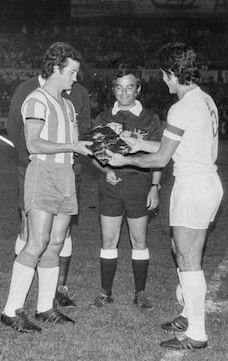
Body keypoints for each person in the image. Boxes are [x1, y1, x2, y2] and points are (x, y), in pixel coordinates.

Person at [107, 43, 223, 350]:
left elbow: (161, 159)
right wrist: (135, 141)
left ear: (172, 73)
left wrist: (125, 160)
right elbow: (172, 144)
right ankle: (188, 315)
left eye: (165, 75)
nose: (164, 81)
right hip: (206, 182)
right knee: (181, 249)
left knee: (188, 257)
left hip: (193, 185)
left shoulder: (181, 106)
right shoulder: (205, 100)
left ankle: (197, 333)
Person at [0, 42, 92, 333]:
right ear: (56, 68)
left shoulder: (67, 103)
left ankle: (45, 307)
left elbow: (76, 143)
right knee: (37, 242)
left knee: (55, 242)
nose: (75, 78)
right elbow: (34, 143)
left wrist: (97, 145)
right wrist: (72, 145)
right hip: (42, 172)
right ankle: (10, 310)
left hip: (66, 173)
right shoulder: (36, 100)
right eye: (72, 72)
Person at [90, 68, 162, 310]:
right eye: (119, 87)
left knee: (138, 240)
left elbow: (160, 155)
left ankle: (140, 293)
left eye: (129, 87)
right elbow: (94, 155)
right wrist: (106, 171)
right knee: (109, 240)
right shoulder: (102, 117)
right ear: (113, 90)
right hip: (110, 187)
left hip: (139, 185)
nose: (124, 92)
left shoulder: (149, 117)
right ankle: (105, 292)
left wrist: (155, 186)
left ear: (138, 89)